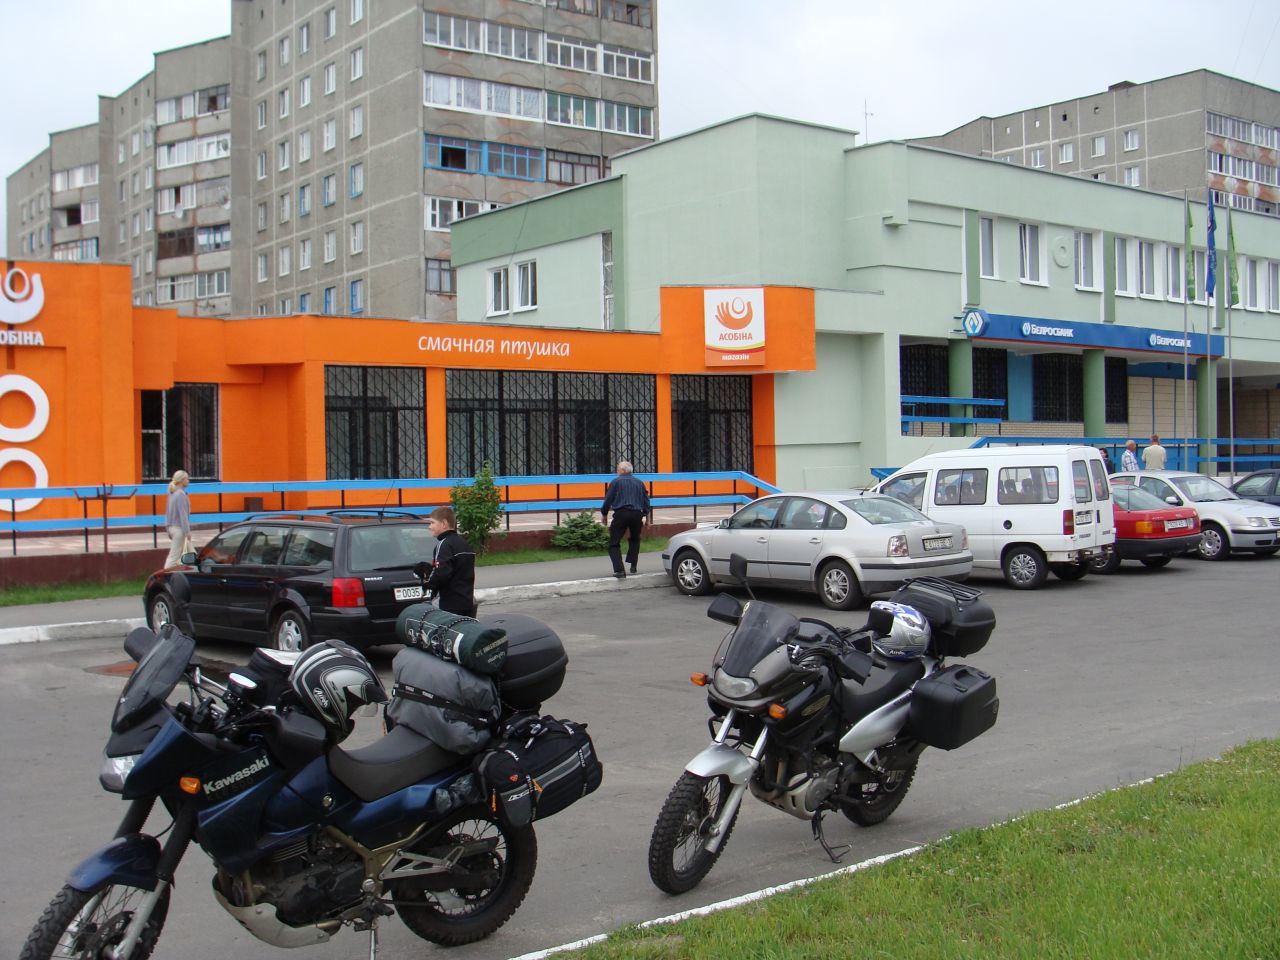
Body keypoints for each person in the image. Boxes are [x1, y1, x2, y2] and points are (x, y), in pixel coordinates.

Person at [601, 460, 650, 579]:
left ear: (622, 470)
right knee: (635, 539)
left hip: (621, 514)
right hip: (637, 514)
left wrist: (604, 514)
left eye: (618, 469)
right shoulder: (639, 482)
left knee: (614, 543)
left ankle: (619, 570)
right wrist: (647, 518)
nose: (616, 471)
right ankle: (633, 565)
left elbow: (608, 499)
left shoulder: (616, 482)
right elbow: (646, 501)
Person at [424, 506, 476, 617]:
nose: (429, 526)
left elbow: (442, 572)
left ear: (444, 524)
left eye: (432, 523)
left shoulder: (444, 544)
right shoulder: (465, 544)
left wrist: (428, 584)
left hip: (450, 604)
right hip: (467, 602)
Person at [164, 469, 191, 567]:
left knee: (178, 555)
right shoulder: (180, 494)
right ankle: (165, 574)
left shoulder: (172, 493)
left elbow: (167, 512)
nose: (188, 481)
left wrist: (167, 528)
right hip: (179, 528)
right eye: (186, 479)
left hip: (171, 527)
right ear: (182, 480)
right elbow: (183, 515)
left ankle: (174, 573)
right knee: (174, 556)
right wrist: (187, 532)